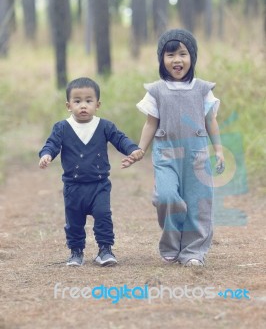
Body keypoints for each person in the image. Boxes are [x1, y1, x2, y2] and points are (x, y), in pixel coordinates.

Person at [122, 28, 225, 267]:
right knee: (167, 196)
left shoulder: (202, 89)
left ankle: (193, 252)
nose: (176, 60)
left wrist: (218, 149)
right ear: (162, 60)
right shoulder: (157, 90)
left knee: (199, 203)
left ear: (192, 58)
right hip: (166, 152)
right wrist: (140, 150)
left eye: (182, 54)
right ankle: (170, 243)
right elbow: (150, 123)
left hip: (196, 153)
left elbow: (211, 121)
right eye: (170, 55)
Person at [39, 77, 144, 267]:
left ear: (98, 104)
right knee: (74, 221)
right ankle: (76, 252)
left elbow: (120, 139)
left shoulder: (104, 126)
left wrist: (133, 149)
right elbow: (52, 144)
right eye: (77, 101)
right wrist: (46, 155)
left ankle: (105, 250)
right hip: (73, 186)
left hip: (99, 184)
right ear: (68, 105)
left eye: (89, 101)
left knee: (103, 215)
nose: (83, 106)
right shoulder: (62, 127)